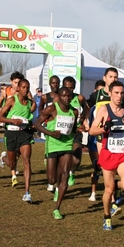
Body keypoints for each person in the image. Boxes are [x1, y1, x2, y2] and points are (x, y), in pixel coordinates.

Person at [89, 81, 124, 231]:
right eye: (116, 93)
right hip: (109, 153)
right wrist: (104, 128)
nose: (119, 96)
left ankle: (118, 186)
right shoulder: (104, 110)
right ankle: (107, 216)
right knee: (108, 190)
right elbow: (92, 130)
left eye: (121, 93)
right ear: (110, 94)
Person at [87, 67, 124, 207]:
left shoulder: (122, 95)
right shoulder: (97, 95)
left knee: (115, 175)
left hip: (119, 141)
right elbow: (87, 107)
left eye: (116, 77)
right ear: (105, 78)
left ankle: (113, 201)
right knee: (106, 170)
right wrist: (85, 120)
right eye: (111, 77)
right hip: (101, 137)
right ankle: (109, 198)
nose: (113, 79)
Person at [35, 87, 79, 219]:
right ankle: (54, 179)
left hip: (66, 145)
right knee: (52, 179)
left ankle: (57, 208)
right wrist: (51, 133)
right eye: (63, 96)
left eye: (68, 96)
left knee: (65, 174)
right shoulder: (52, 109)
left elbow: (74, 128)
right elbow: (37, 124)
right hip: (53, 145)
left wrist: (80, 129)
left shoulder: (74, 112)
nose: (66, 98)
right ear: (58, 97)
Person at [0, 79, 37, 202]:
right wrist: (12, 121)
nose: (25, 89)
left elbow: (27, 118)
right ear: (18, 88)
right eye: (23, 87)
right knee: (12, 164)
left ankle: (27, 192)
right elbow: (0, 117)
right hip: (11, 134)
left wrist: (31, 125)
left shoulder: (30, 103)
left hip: (25, 134)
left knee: (26, 161)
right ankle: (3, 159)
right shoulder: (12, 101)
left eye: (27, 87)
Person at [0, 72, 28, 179]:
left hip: (22, 125)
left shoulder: (26, 93)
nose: (17, 84)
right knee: (13, 150)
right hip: (9, 124)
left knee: (19, 151)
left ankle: (12, 165)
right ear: (11, 82)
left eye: (19, 82)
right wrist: (1, 109)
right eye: (15, 82)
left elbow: (31, 105)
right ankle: (8, 163)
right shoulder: (6, 91)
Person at [60, 76, 89, 187]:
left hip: (76, 131)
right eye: (67, 87)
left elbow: (87, 107)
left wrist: (84, 118)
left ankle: (71, 172)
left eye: (71, 88)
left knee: (76, 160)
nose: (69, 90)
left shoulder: (80, 98)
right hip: (63, 132)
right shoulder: (59, 99)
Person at [39, 75, 61, 192]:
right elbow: (40, 109)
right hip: (49, 127)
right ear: (50, 84)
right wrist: (44, 116)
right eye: (53, 83)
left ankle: (53, 182)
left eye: (57, 83)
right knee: (49, 154)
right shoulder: (44, 97)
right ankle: (50, 182)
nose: (55, 85)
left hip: (59, 128)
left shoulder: (61, 97)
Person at [87, 80, 105, 201]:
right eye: (99, 91)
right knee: (97, 167)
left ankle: (110, 193)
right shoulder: (92, 107)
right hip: (93, 140)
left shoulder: (109, 107)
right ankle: (93, 192)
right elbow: (86, 117)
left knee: (107, 167)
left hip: (106, 140)